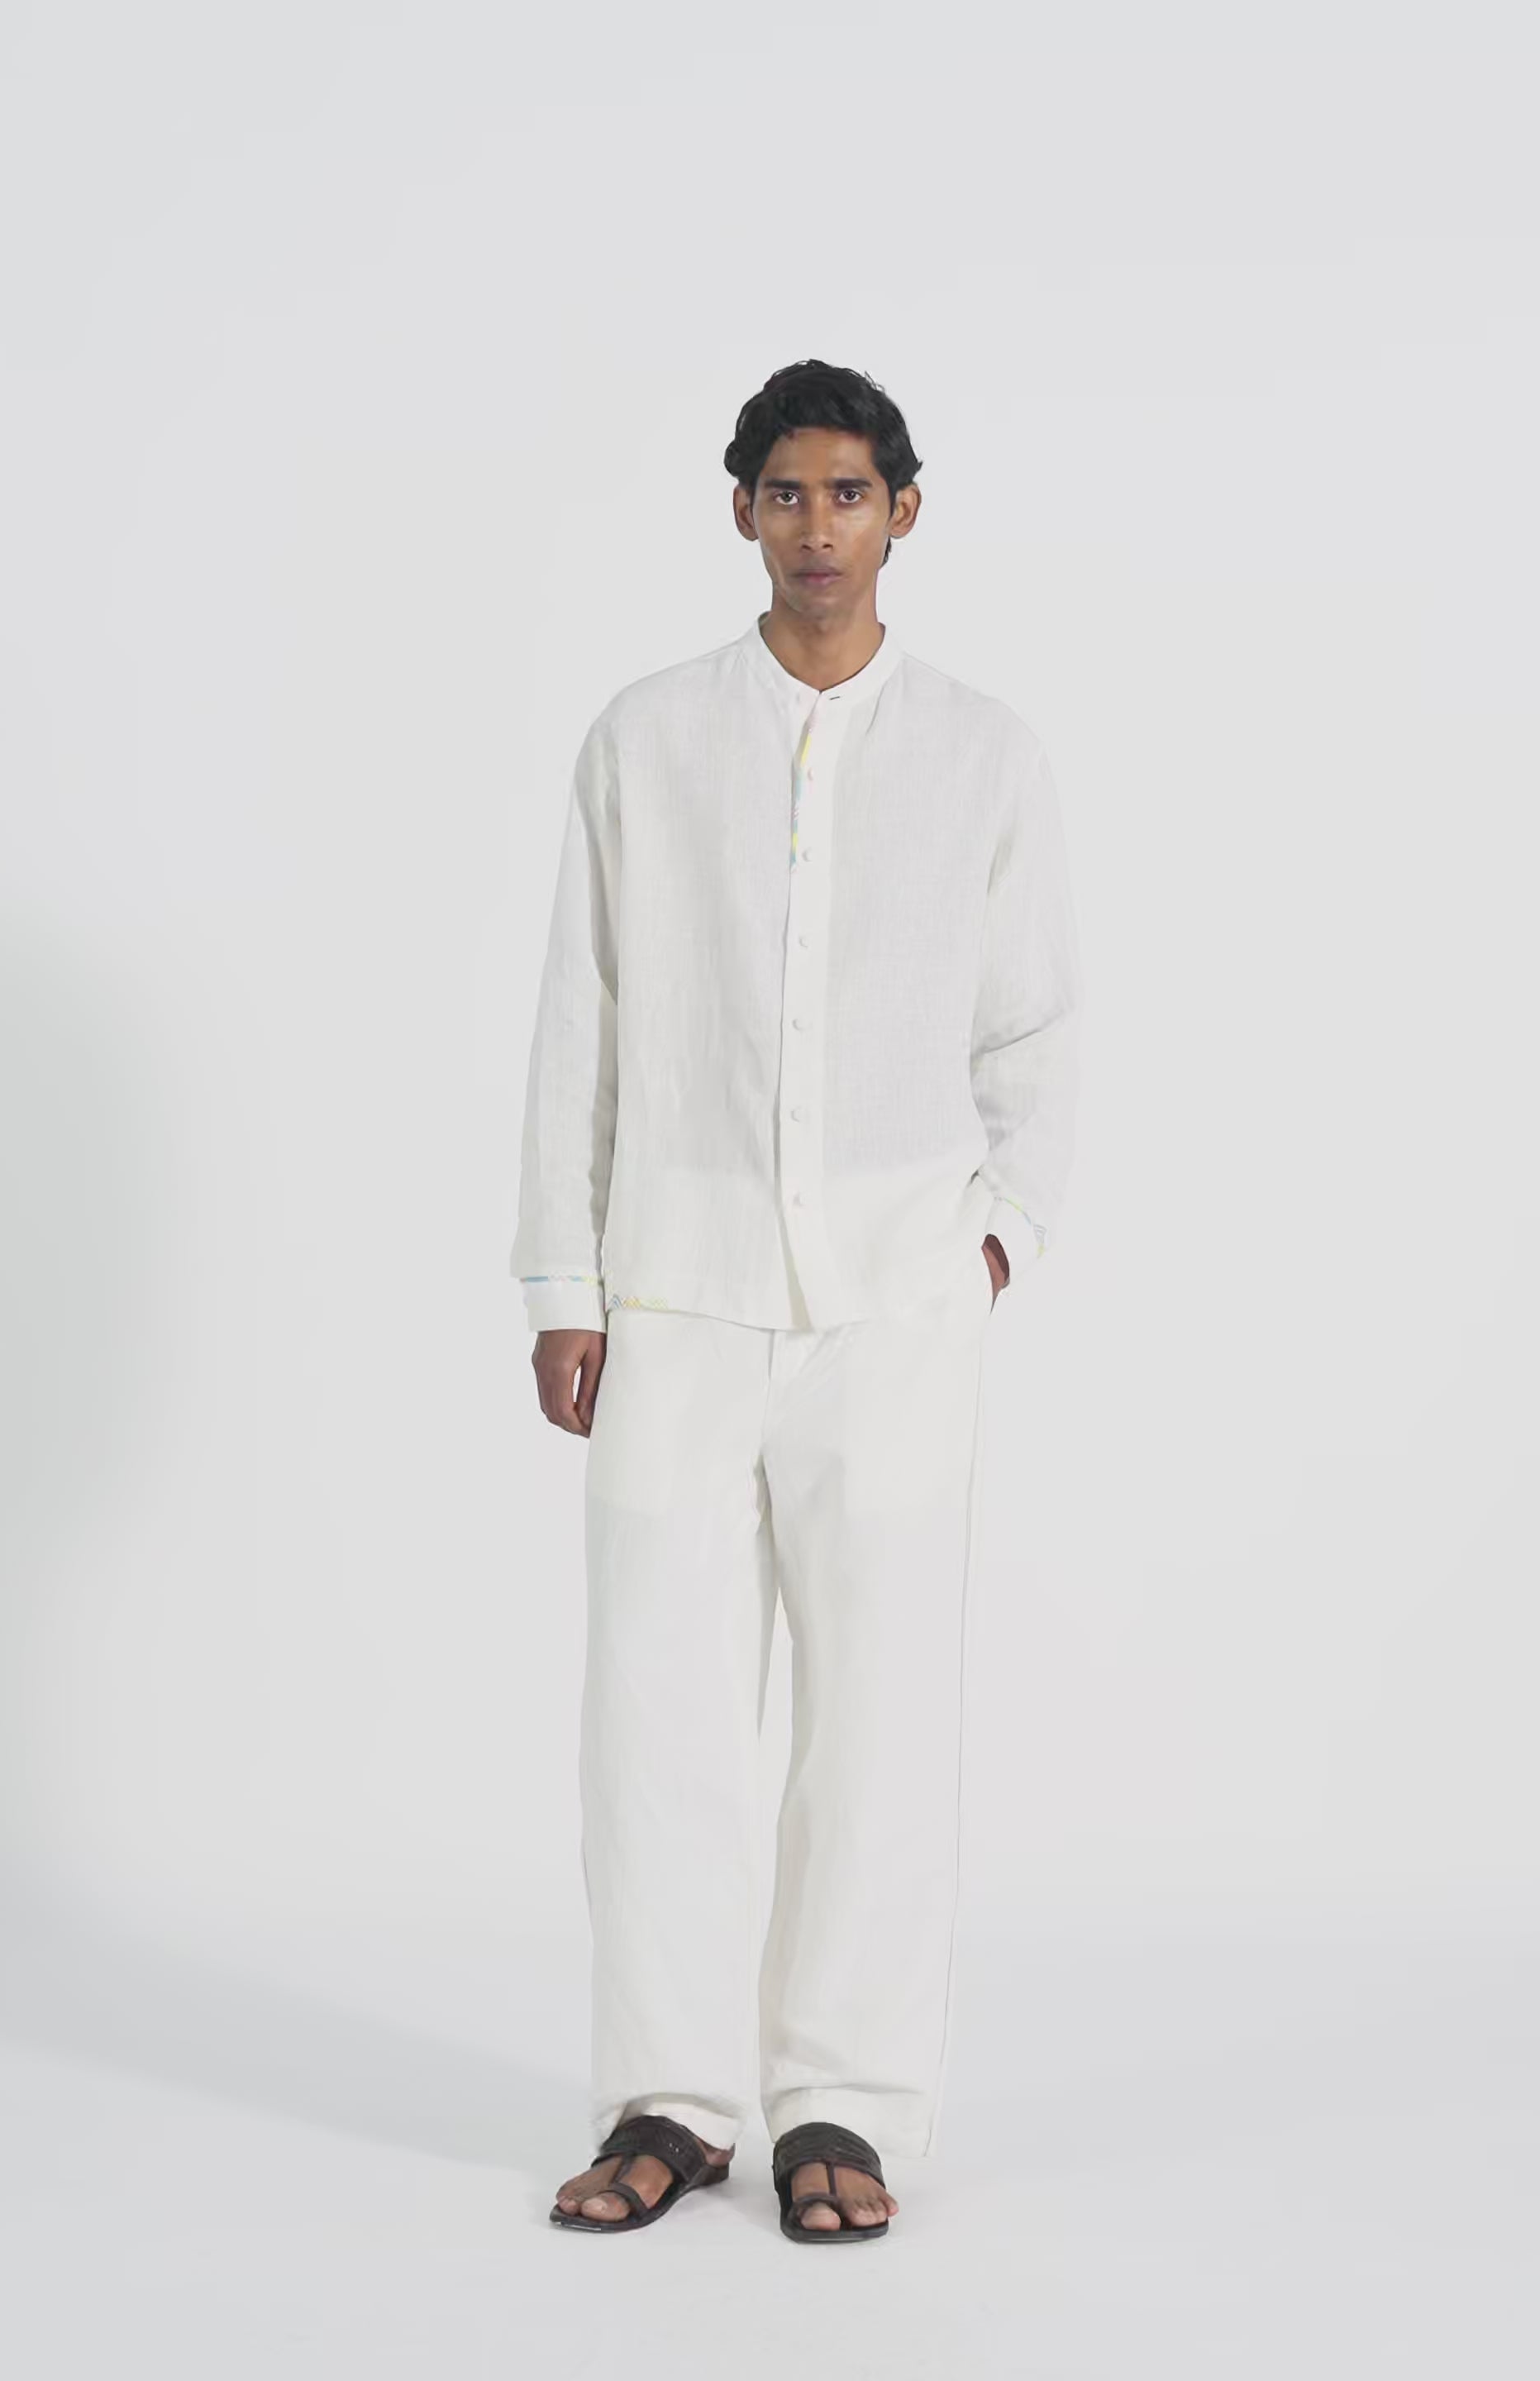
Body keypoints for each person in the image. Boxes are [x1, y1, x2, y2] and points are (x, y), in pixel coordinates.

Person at [509, 358, 1084, 2241]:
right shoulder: (645, 738)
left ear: (903, 512)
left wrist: (995, 1239)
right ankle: (669, 2099)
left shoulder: (985, 754)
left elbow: (1036, 1026)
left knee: (882, 1717)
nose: (817, 526)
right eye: (785, 492)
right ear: (741, 511)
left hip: (899, 1311)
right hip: (673, 1297)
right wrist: (566, 1280)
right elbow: (584, 1015)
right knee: (654, 1715)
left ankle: (842, 2103)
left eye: (850, 493)